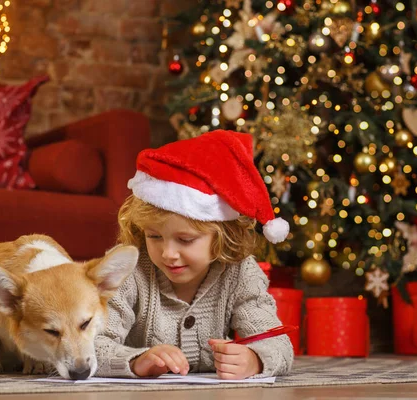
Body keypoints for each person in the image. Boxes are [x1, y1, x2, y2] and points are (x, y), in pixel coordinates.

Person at [94, 129, 293, 380]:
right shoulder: (129, 269)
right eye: (154, 236)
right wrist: (134, 361)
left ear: (222, 236)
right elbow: (88, 346)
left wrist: (254, 360)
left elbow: (279, 344)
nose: (168, 253)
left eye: (185, 240)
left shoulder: (239, 272)